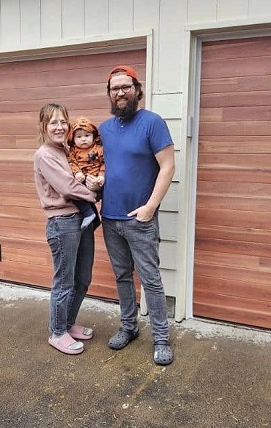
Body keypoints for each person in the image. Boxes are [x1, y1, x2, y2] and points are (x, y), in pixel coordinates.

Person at [87, 65, 175, 365]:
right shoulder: (104, 129)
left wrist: (150, 207)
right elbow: (95, 166)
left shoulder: (152, 123)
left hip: (140, 220)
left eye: (126, 87)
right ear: (109, 94)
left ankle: (161, 338)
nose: (120, 92)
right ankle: (129, 327)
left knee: (150, 279)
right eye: (114, 88)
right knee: (122, 276)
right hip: (110, 219)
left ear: (137, 90)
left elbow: (168, 166)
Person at [33, 103, 98, 355]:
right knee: (65, 281)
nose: (59, 127)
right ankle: (57, 332)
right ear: (43, 127)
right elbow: (68, 186)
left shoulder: (68, 150)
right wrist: (94, 194)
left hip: (82, 219)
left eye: (63, 122)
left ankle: (68, 323)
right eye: (53, 123)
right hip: (63, 223)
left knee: (83, 278)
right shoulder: (44, 155)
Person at [67, 116, 105, 231]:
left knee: (88, 196)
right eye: (79, 136)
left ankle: (89, 214)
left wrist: (101, 176)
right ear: (73, 138)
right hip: (81, 179)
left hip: (95, 178)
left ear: (93, 136)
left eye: (87, 136)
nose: (83, 139)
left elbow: (104, 163)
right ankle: (92, 216)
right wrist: (77, 172)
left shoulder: (98, 149)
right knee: (74, 193)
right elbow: (72, 162)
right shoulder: (73, 151)